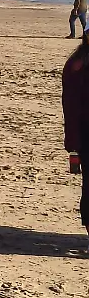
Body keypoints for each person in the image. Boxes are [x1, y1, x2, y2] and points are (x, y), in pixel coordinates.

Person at [62, 33, 89, 248]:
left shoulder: (74, 65)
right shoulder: (76, 66)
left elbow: (70, 109)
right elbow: (71, 109)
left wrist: (73, 145)